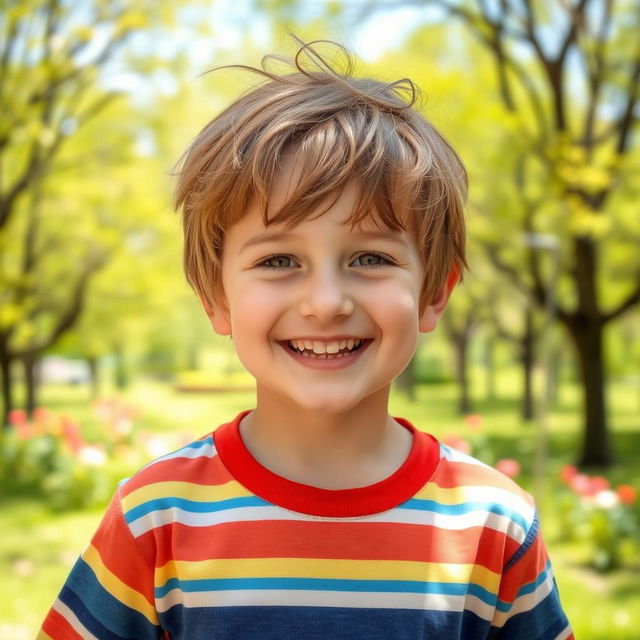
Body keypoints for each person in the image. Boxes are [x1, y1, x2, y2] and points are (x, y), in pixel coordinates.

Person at [38, 38, 573, 640]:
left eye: (370, 257)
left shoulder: (493, 524)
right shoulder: (155, 516)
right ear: (217, 297)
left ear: (434, 293)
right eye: (278, 261)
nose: (325, 302)